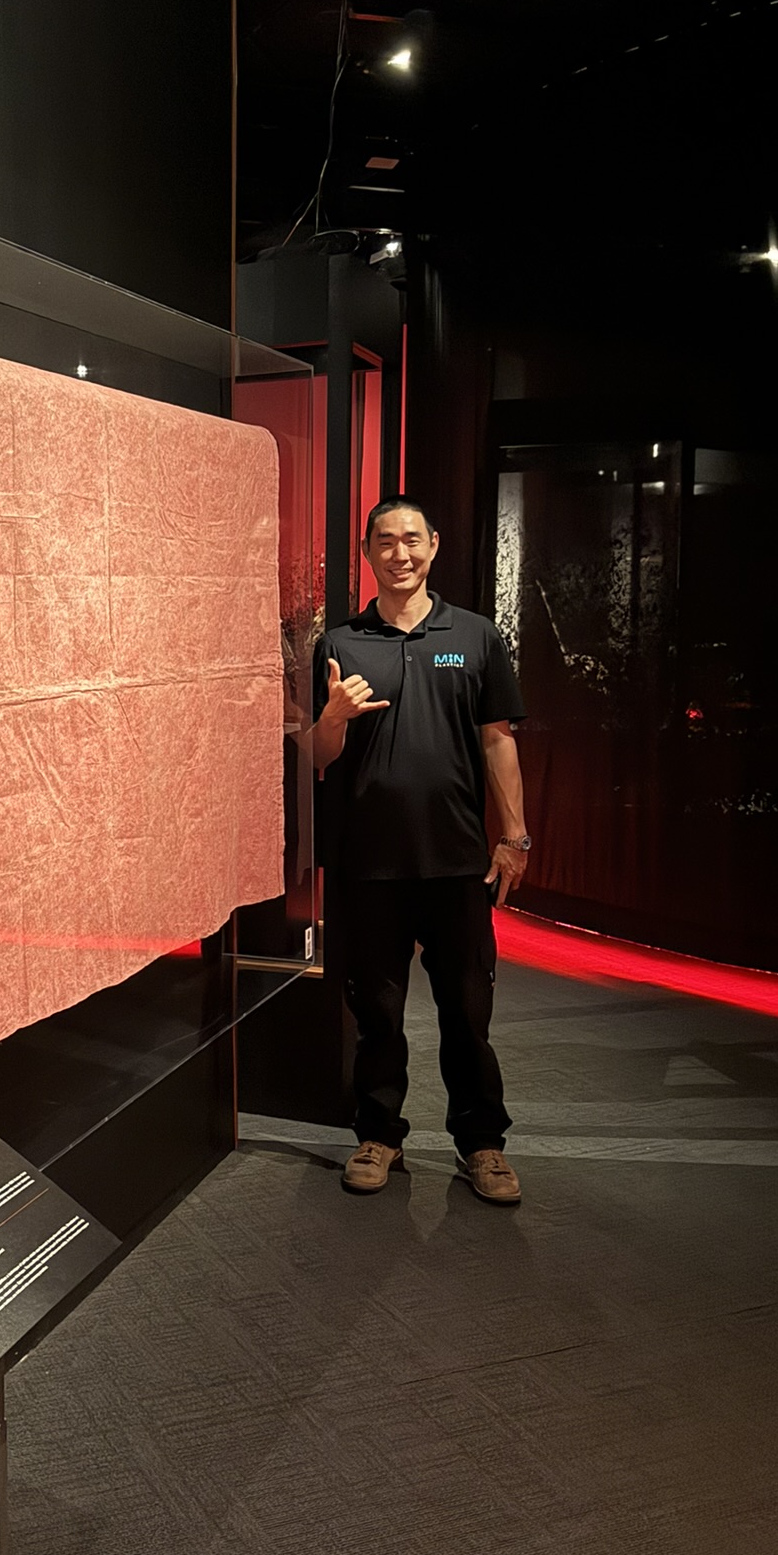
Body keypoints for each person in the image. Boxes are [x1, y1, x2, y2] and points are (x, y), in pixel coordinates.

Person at [309, 496, 529, 1204]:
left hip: (457, 863)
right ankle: (379, 1136)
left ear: (433, 546)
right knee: (377, 1017)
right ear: (366, 553)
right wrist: (332, 718)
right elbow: (318, 756)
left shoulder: (476, 636)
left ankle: (483, 1145)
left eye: (411, 540)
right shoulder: (340, 643)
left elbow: (498, 739)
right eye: (385, 541)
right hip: (369, 867)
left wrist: (514, 836)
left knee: (467, 1015)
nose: (398, 554)